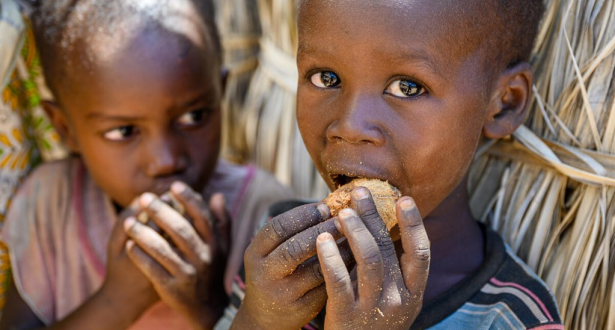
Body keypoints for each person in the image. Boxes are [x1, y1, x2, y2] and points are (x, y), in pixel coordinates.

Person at [217, 0, 564, 329]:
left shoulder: (512, 316)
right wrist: (257, 319)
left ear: (504, 103)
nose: (350, 125)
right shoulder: (283, 261)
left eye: (407, 87)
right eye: (326, 78)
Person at [0, 0, 291, 329]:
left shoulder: (266, 213)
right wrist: (118, 300)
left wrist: (209, 306)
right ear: (65, 129)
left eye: (194, 117)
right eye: (124, 132)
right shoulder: (50, 203)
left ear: (219, 94)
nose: (165, 161)